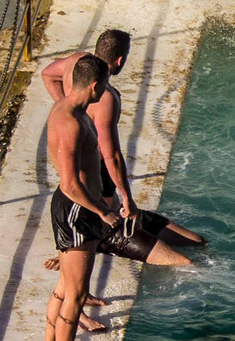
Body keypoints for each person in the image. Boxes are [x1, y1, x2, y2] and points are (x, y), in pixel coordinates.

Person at [39, 28, 204, 258]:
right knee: (107, 210)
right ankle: (85, 248)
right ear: (120, 60)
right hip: (91, 177)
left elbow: (47, 74)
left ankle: (87, 244)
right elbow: (111, 156)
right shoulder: (106, 97)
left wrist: (68, 106)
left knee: (197, 242)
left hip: (82, 169)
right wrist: (127, 196)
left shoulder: (77, 63)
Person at [42, 53, 117, 341]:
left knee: (64, 288)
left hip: (78, 209)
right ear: (96, 85)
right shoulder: (70, 122)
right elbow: (70, 184)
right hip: (76, 210)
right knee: (75, 294)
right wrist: (103, 212)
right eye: (106, 85)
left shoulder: (69, 109)